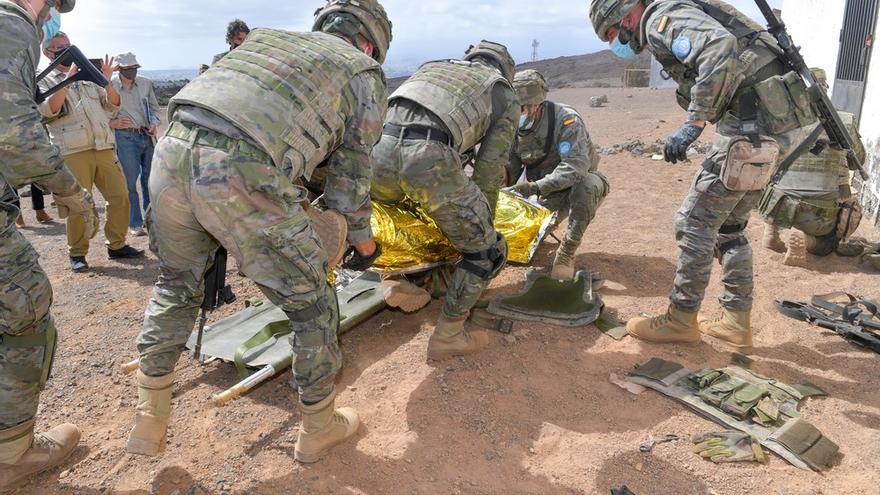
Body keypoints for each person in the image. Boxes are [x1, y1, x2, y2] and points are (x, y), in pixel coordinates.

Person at [125, 0, 391, 464]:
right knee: (312, 304)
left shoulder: (265, 40)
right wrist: (362, 243)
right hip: (239, 170)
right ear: (370, 42)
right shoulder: (361, 71)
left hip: (171, 152)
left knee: (175, 286)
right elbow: (350, 182)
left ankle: (150, 419)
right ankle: (319, 428)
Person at [590, 0, 819, 348]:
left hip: (750, 131)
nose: (614, 43)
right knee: (729, 228)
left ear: (625, 15)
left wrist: (694, 121)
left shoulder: (658, 18)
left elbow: (717, 46)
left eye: (610, 33)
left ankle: (681, 319)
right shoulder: (676, 11)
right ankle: (735, 322)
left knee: (693, 222)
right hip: (779, 131)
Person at [0, 0, 99, 490]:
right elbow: (15, 137)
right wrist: (71, 193)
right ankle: (12, 453)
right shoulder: (10, 23)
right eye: (54, 9)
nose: (51, 19)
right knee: (26, 314)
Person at [370, 40, 518, 360]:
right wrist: (482, 228)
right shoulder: (503, 92)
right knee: (485, 250)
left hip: (377, 151)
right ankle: (449, 335)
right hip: (426, 155)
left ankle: (396, 277)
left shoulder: (433, 66)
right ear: (504, 69)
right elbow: (488, 174)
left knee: (408, 214)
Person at [39, 32, 144, 272]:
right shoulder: (44, 79)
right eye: (59, 48)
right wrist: (66, 79)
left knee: (119, 196)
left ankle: (117, 245)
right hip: (73, 151)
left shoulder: (88, 76)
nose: (65, 50)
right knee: (79, 204)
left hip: (103, 146)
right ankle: (77, 253)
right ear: (47, 53)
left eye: (68, 46)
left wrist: (106, 80)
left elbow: (114, 105)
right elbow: (49, 110)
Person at [506, 69, 610, 280]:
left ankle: (567, 251)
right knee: (521, 241)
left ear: (537, 104)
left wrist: (534, 187)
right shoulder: (511, 127)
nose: (518, 113)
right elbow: (511, 165)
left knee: (586, 185)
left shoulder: (566, 120)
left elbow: (576, 167)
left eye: (523, 108)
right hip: (549, 193)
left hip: (578, 184)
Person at [759, 71, 866, 266]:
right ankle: (806, 240)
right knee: (829, 243)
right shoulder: (844, 122)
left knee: (775, 177)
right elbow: (857, 160)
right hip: (818, 214)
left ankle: (771, 232)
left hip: (776, 206)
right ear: (824, 90)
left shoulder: (778, 119)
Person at [110, 52, 159, 237]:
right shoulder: (110, 85)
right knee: (129, 182)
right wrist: (111, 124)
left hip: (146, 135)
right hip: (125, 137)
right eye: (127, 69)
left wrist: (154, 123)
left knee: (150, 180)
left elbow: (154, 107)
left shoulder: (146, 83)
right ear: (119, 69)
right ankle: (135, 222)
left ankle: (150, 220)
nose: (132, 72)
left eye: (134, 68)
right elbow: (102, 110)